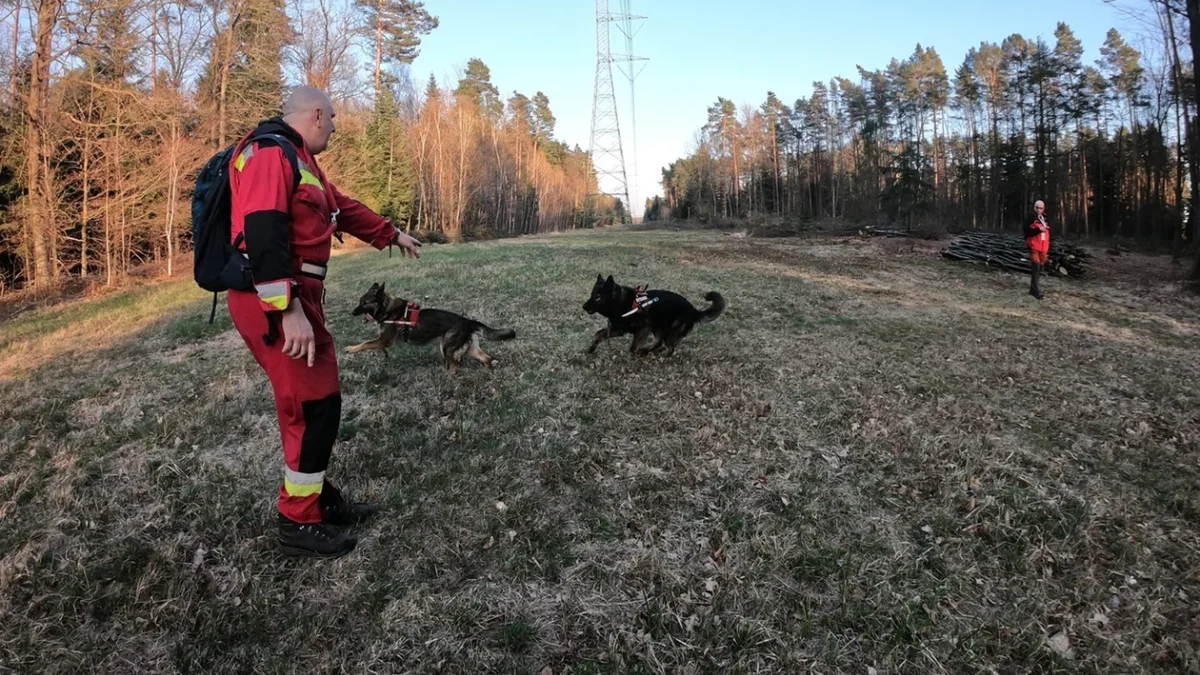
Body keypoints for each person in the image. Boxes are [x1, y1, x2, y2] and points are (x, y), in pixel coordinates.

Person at [227, 86, 422, 558]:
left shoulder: (300, 162)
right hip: (275, 300)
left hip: (296, 298)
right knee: (314, 406)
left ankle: (313, 496)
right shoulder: (269, 153)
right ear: (315, 114)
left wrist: (389, 232)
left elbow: (342, 206)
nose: (335, 126)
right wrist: (286, 309)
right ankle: (298, 521)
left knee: (317, 401)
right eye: (332, 118)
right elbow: (262, 229)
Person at [1025, 200, 1050, 300]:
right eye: (1037, 207)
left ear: (1043, 208)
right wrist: (1038, 230)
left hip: (1043, 247)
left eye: (1041, 208)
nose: (1039, 210)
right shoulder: (1030, 218)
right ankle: (1035, 292)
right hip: (1034, 246)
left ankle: (1033, 289)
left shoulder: (1046, 218)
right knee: (1036, 267)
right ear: (1034, 207)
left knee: (1039, 268)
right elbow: (1026, 231)